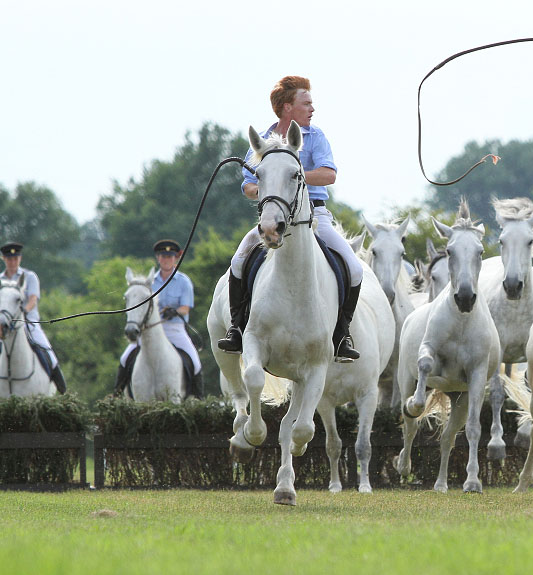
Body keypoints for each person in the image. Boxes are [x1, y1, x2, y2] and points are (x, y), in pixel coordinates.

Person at [217, 75, 363, 363]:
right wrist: (267, 186)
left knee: (354, 268)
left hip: (315, 214)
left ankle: (341, 335)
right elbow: (247, 185)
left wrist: (288, 175)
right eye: (306, 102)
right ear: (287, 107)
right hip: (276, 212)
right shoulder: (261, 140)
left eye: (311, 103)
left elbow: (328, 174)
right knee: (238, 262)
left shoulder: (315, 136)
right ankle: (236, 328)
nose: (312, 108)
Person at [116, 239, 203, 397]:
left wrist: (175, 311)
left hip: (174, 329)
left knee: (195, 362)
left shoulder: (184, 282)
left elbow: (186, 307)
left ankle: (197, 398)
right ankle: (116, 395)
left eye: (170, 256)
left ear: (175, 258)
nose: (166, 259)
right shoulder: (149, 283)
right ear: (158, 258)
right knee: (124, 358)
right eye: (163, 256)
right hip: (150, 329)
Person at [0, 242, 67, 393]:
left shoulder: (30, 277)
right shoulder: (0, 280)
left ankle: (61, 388)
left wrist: (22, 311)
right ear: (4, 259)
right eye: (10, 259)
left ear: (20, 258)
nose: (13, 262)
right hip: (3, 323)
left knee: (47, 350)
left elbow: (32, 299)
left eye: (16, 258)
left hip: (28, 322)